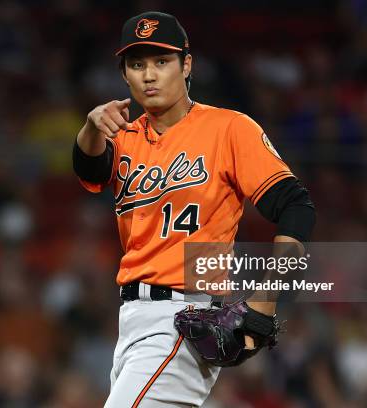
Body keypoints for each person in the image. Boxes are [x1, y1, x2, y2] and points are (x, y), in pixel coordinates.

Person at [72, 11, 315, 407]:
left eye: (161, 61)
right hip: (131, 322)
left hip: (184, 319)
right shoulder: (124, 136)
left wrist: (268, 296)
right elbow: (88, 167)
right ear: (124, 75)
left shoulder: (228, 128)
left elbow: (297, 207)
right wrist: (90, 126)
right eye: (137, 64)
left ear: (187, 65)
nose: (149, 75)